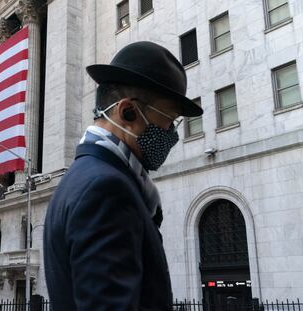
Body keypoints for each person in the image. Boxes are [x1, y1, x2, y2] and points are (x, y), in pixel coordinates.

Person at [43, 41, 203, 310]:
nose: (172, 133)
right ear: (128, 112)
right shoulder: (105, 188)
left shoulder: (85, 177)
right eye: (169, 119)